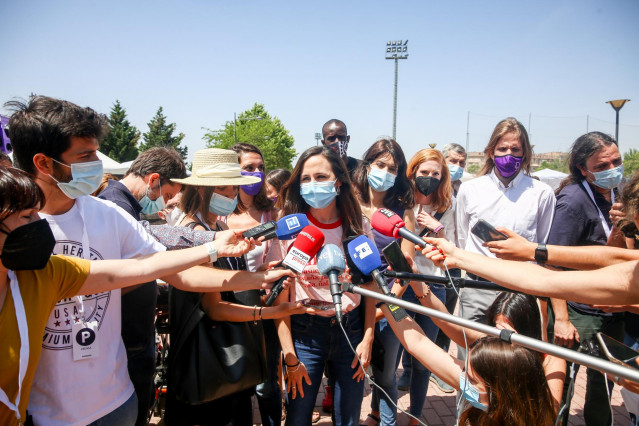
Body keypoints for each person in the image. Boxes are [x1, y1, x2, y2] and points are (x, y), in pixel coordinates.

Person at [6, 96, 292, 426]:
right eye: (85, 157)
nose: (96, 165)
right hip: (38, 412)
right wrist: (215, 247)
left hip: (116, 403)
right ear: (44, 163)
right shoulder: (13, 227)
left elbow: (173, 271)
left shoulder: (107, 216)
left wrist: (257, 278)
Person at [266, 146, 375, 426]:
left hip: (350, 331)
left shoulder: (357, 225)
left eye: (320, 176)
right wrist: (289, 357)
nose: (312, 184)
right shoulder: (288, 228)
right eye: (305, 178)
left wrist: (367, 338)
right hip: (305, 333)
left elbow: (371, 284)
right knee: (298, 417)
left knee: (349, 418)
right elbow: (280, 300)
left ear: (338, 182)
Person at [537, 132, 625, 425]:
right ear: (582, 168)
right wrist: (561, 318)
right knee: (564, 383)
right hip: (578, 311)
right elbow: (552, 262)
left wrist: (620, 228)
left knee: (604, 383)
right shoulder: (572, 201)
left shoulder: (621, 192)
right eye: (601, 166)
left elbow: (615, 256)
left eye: (617, 161)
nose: (612, 169)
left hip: (612, 309)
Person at [375, 285, 557, 425]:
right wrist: (385, 298)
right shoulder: (480, 388)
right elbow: (417, 342)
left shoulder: (543, 395)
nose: (466, 383)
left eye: (504, 335)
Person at [97, 147, 186, 425]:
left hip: (134, 335)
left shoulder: (125, 204)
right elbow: (117, 276)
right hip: (126, 339)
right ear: (154, 179)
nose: (165, 203)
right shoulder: (115, 206)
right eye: (168, 196)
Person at [454, 117, 555, 342]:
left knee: (516, 357)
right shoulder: (470, 190)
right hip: (477, 286)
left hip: (519, 288)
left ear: (525, 154)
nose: (508, 154)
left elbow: (542, 243)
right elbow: (462, 237)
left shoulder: (541, 193)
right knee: (472, 354)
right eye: (502, 148)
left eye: (515, 149)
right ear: (491, 152)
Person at [351, 137, 415, 426]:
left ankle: (385, 420)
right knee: (355, 370)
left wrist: (387, 305)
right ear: (367, 166)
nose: (387, 173)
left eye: (394, 168)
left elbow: (407, 268)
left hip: (392, 303)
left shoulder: (403, 210)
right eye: (381, 165)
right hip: (354, 299)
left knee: (387, 374)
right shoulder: (347, 202)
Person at [226, 143, 282, 426]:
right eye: (249, 168)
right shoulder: (220, 214)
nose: (257, 173)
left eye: (261, 167)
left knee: (267, 384)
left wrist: (267, 277)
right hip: (229, 308)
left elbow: (277, 259)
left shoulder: (270, 213)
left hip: (264, 307)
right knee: (238, 385)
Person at [394, 149, 450, 423]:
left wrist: (437, 230)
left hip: (431, 287)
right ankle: (382, 412)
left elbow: (451, 257)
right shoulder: (399, 203)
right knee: (392, 354)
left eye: (435, 174)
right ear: (412, 172)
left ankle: (416, 415)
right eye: (424, 172)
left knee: (423, 360)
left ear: (442, 177)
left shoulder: (445, 207)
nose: (429, 178)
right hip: (399, 288)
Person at [430, 143, 467, 393]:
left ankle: (440, 368)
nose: (457, 167)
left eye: (462, 163)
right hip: (429, 260)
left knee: (445, 318)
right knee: (423, 316)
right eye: (453, 161)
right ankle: (412, 369)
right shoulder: (427, 189)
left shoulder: (464, 192)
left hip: (452, 264)